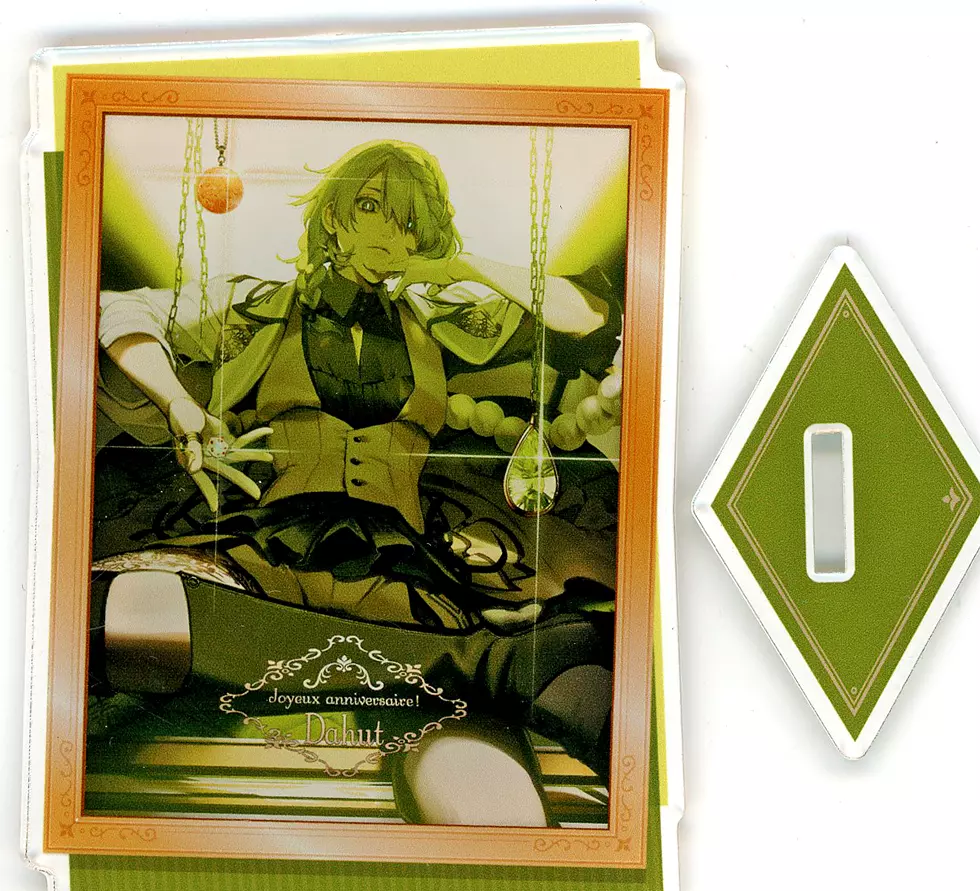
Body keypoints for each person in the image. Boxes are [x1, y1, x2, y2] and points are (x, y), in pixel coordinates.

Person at [91, 138, 623, 826]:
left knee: (479, 782)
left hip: (400, 576)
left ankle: (474, 681)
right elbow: (120, 313)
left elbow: (584, 315)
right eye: (370, 207)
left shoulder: (447, 323)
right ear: (334, 216)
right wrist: (179, 405)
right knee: (128, 616)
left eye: (410, 220)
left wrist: (457, 264)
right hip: (270, 556)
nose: (388, 232)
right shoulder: (257, 305)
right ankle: (480, 668)